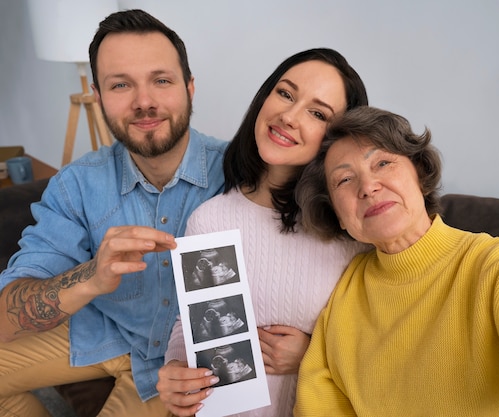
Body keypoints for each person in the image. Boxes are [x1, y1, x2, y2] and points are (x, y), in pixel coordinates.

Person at [293, 106, 499, 416]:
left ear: (420, 174)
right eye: (344, 180)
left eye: (382, 163)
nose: (368, 186)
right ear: (336, 214)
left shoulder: (497, 265)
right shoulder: (343, 296)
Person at [0, 9, 227, 417]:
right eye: (121, 84)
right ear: (99, 97)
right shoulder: (76, 185)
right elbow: (6, 316)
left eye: (161, 80)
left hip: (180, 363)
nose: (144, 102)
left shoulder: (240, 172)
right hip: (102, 332)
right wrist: (91, 277)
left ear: (190, 88)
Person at [156, 48, 372, 416]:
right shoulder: (210, 219)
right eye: (285, 93)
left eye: (317, 113)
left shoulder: (351, 234)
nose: (288, 116)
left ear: (337, 138)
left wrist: (313, 353)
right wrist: (176, 369)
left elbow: (383, 346)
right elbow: (193, 322)